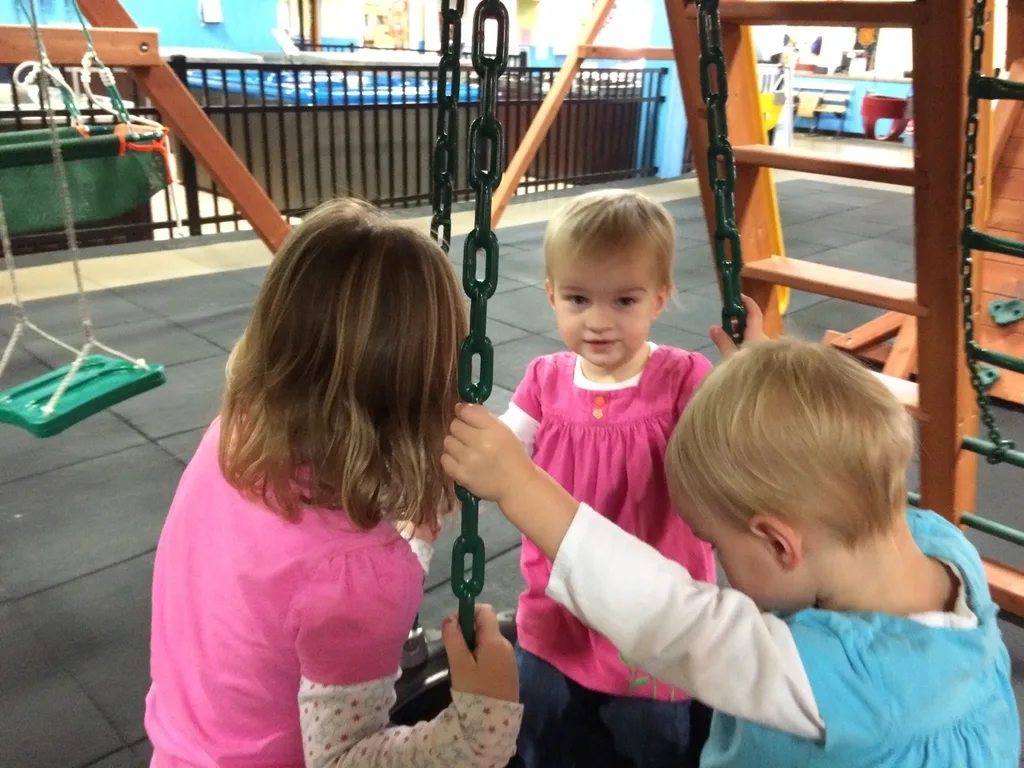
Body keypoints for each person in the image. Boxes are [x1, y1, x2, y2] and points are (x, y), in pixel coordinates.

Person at [443, 324, 1020, 767]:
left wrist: (521, 485)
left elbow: (670, 615)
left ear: (778, 541)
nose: (715, 566)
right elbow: (820, 459)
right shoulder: (942, 546)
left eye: (715, 545)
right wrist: (772, 403)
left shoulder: (820, 681)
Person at [145, 199, 522, 768]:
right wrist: (481, 729)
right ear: (429, 397)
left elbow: (308, 584)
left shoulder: (234, 440)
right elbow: (344, 759)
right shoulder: (358, 578)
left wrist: (405, 542)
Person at [497, 189, 715, 766]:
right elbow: (500, 448)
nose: (597, 321)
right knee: (535, 711)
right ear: (550, 296)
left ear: (660, 298)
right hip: (557, 599)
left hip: (652, 609)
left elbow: (732, 445)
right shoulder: (545, 380)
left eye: (623, 300)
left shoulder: (682, 379)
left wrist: (754, 380)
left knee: (652, 733)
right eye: (577, 298)